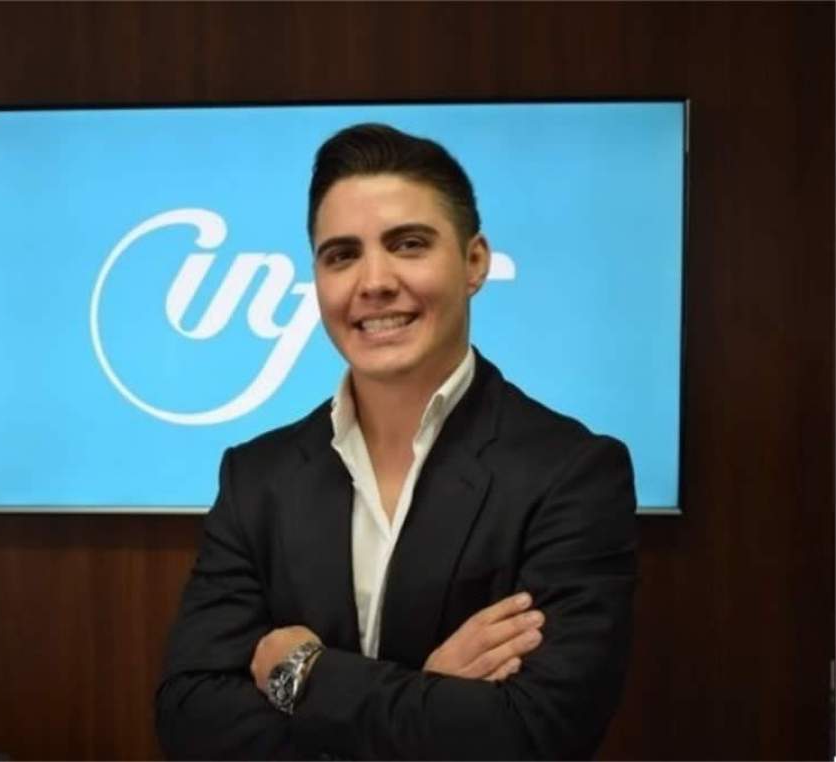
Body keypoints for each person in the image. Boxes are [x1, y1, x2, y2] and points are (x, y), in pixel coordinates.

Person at [155, 123, 637, 760]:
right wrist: (428, 693)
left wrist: (301, 672)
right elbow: (190, 717)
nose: (374, 281)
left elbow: (532, 733)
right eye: (341, 255)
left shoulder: (572, 473)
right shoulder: (256, 477)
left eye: (408, 244)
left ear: (474, 262)